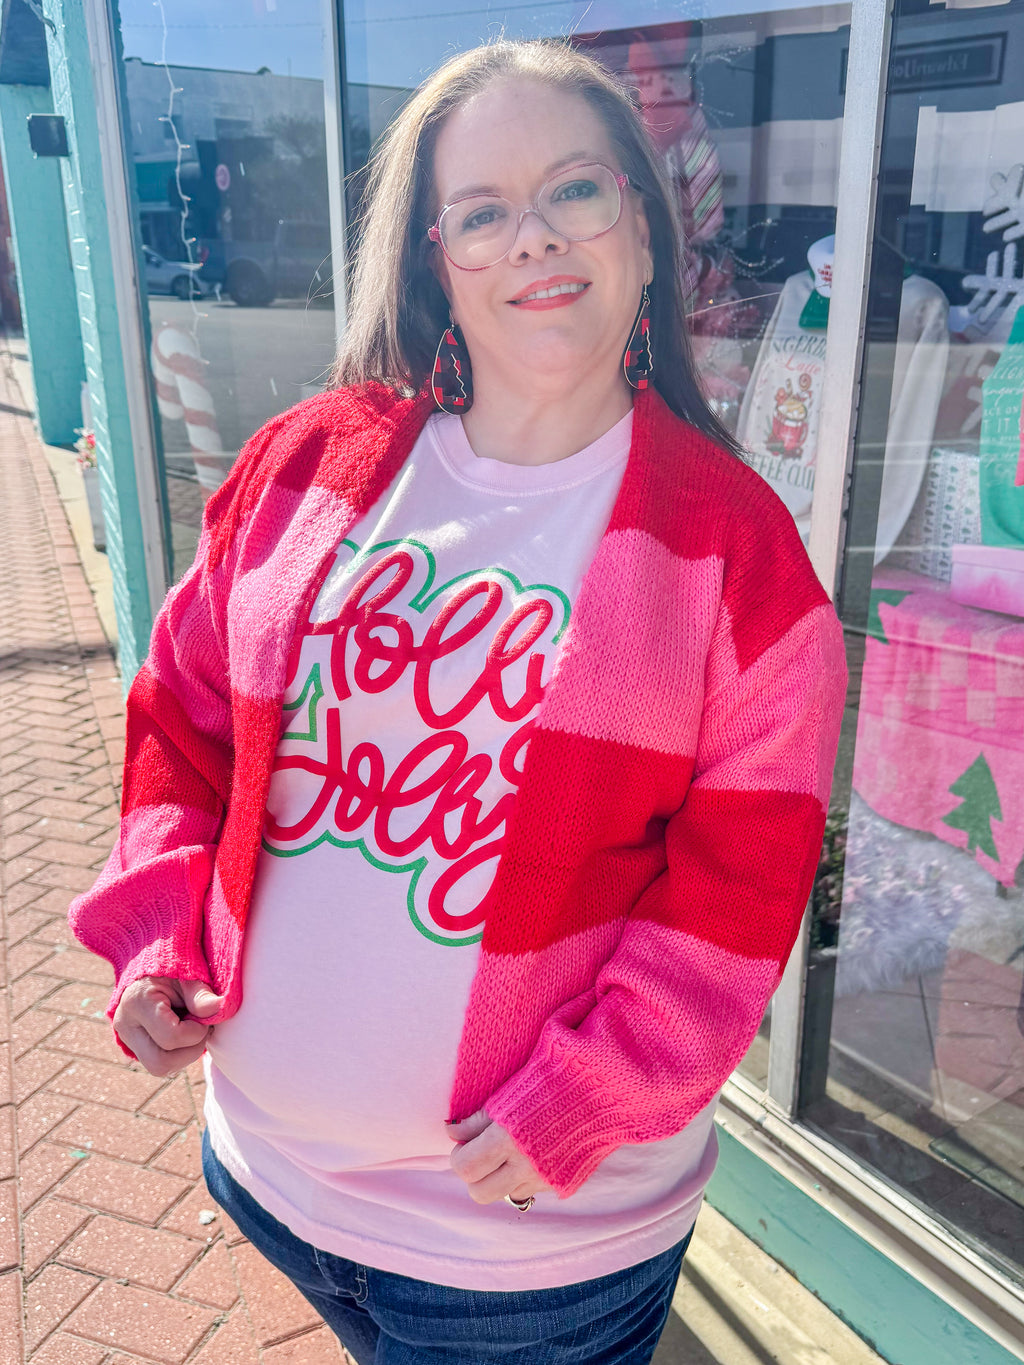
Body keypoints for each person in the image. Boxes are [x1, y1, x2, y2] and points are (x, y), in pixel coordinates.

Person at [69, 38, 847, 1365]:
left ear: (646, 237)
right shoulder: (309, 462)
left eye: (576, 193)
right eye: (482, 211)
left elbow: (737, 899)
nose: (531, 238)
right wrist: (164, 939)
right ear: (436, 257)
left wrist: (588, 1097)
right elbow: (183, 721)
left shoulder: (740, 560)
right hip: (265, 1179)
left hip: (525, 1260)